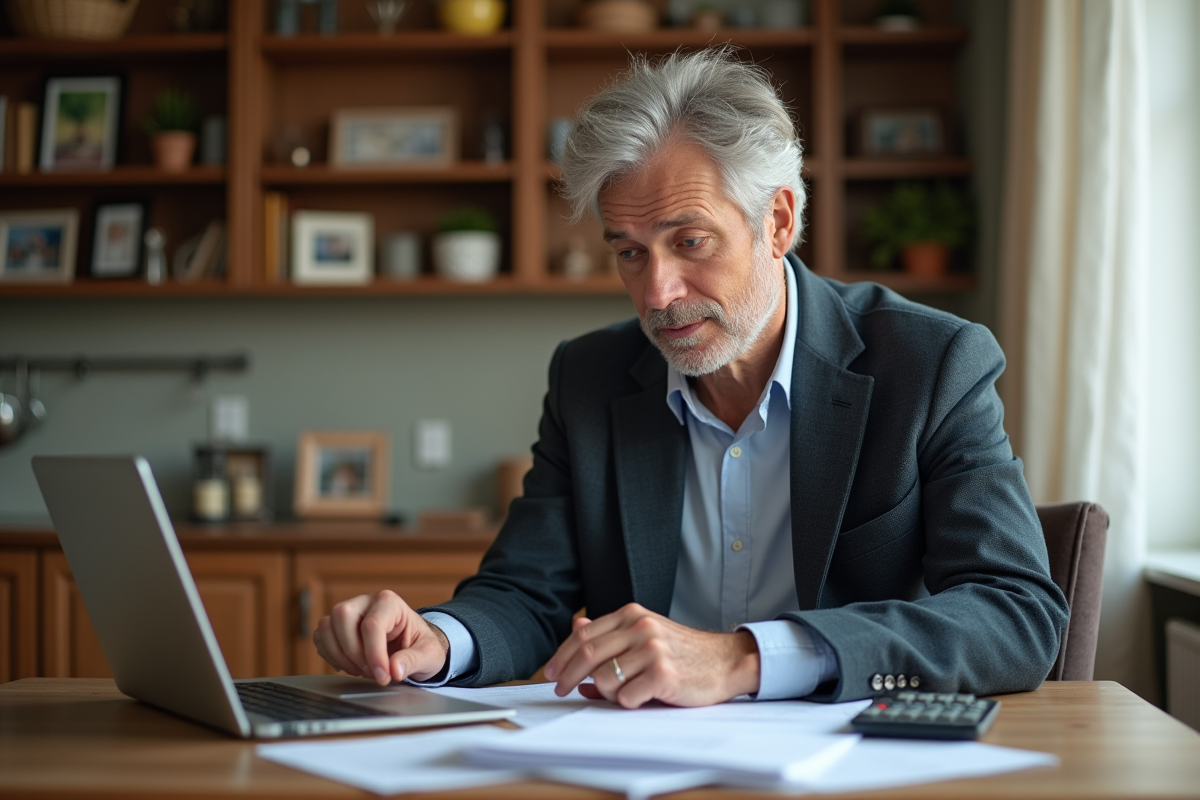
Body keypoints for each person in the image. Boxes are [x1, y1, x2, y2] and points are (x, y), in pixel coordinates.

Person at [313, 48, 1069, 708]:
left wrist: (745, 658)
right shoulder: (590, 377)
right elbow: (525, 591)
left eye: (690, 240)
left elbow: (1016, 615)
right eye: (630, 252)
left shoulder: (931, 365)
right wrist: (438, 641)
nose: (658, 293)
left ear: (776, 222)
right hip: (641, 764)